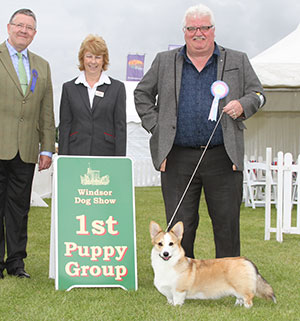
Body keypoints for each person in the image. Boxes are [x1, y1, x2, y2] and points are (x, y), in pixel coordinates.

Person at [134, 4, 265, 259]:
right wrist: (156, 127)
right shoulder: (164, 61)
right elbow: (142, 94)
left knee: (226, 224)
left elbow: (259, 94)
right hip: (178, 157)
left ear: (213, 30)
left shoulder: (238, 60)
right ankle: (182, 282)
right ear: (184, 32)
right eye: (192, 28)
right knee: (181, 226)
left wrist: (243, 105)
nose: (198, 33)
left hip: (223, 156)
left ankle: (229, 281)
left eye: (204, 27)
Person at [0, 9, 56, 279]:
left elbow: (47, 111)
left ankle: (16, 262)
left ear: (35, 33)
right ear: (9, 27)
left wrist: (47, 147)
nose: (24, 30)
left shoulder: (41, 65)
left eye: (29, 27)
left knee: (19, 209)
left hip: (27, 150)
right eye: (19, 25)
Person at [58, 34, 126, 156]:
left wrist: (119, 161)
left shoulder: (117, 88)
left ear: (104, 60)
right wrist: (63, 158)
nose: (93, 61)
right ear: (82, 58)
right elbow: (65, 126)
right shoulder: (69, 88)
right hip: (76, 153)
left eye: (98, 57)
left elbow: (120, 128)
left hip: (106, 155)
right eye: (89, 56)